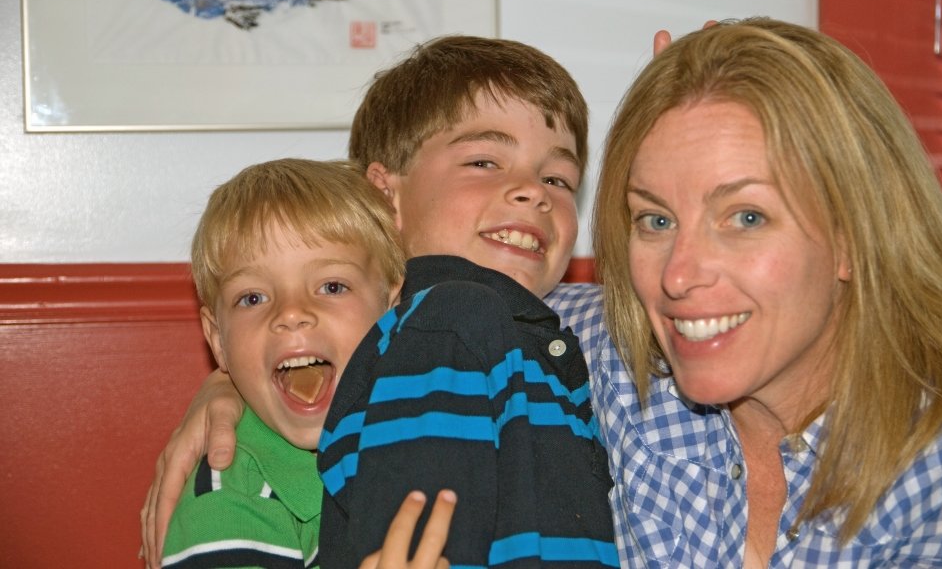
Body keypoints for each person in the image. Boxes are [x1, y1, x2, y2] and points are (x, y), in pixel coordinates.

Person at [141, 35, 618, 569]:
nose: (534, 191)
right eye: (485, 161)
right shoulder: (448, 325)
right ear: (385, 196)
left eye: (557, 178)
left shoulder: (594, 327)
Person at [591, 17, 942, 566]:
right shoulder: (616, 370)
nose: (677, 275)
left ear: (854, 236)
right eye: (657, 219)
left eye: (746, 217)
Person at [160, 158, 406, 567]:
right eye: (253, 298)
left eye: (332, 286)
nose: (291, 313)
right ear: (218, 340)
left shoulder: (421, 434)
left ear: (392, 311)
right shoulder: (228, 503)